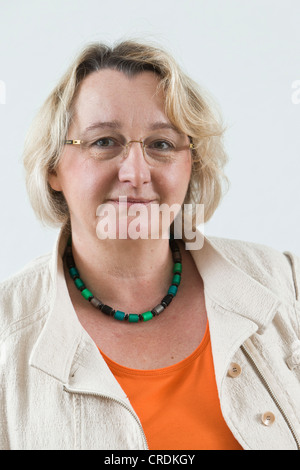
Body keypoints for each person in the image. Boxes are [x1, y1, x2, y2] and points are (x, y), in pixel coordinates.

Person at [0, 40, 299, 451]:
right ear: (53, 166)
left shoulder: (288, 284)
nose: (136, 173)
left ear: (192, 164)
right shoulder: (6, 333)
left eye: (161, 144)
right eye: (104, 141)